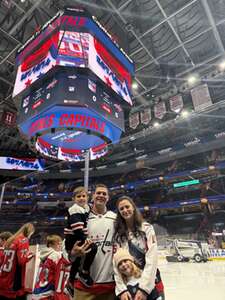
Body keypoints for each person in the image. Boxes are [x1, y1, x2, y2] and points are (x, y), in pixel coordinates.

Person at [113, 196, 164, 300]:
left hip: (151, 284)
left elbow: (152, 259)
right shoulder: (118, 236)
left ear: (133, 208)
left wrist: (144, 289)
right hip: (130, 287)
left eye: (127, 207)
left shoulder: (147, 228)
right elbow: (116, 264)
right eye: (121, 209)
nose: (125, 210)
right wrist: (122, 290)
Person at [71, 183, 116, 300]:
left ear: (108, 198)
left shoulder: (115, 218)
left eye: (104, 194)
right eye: (98, 193)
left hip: (109, 285)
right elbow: (69, 244)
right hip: (83, 287)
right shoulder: (81, 216)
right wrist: (72, 253)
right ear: (92, 196)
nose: (101, 195)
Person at [64, 186, 97, 287]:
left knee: (77, 261)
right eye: (79, 196)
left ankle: (71, 281)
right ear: (73, 199)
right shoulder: (75, 210)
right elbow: (77, 230)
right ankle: (84, 272)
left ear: (87, 197)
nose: (82, 198)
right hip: (73, 238)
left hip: (77, 236)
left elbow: (90, 207)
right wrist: (86, 239)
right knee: (93, 248)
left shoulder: (85, 207)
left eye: (84, 196)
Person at [0, 223, 35, 300]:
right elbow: (21, 261)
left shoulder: (10, 240)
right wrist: (30, 256)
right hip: (13, 283)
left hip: (3, 279)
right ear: (30, 232)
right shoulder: (23, 240)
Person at [32, 234, 63, 299]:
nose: (60, 246)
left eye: (61, 244)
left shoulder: (44, 255)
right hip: (47, 292)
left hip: (37, 291)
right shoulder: (55, 255)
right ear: (51, 245)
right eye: (58, 244)